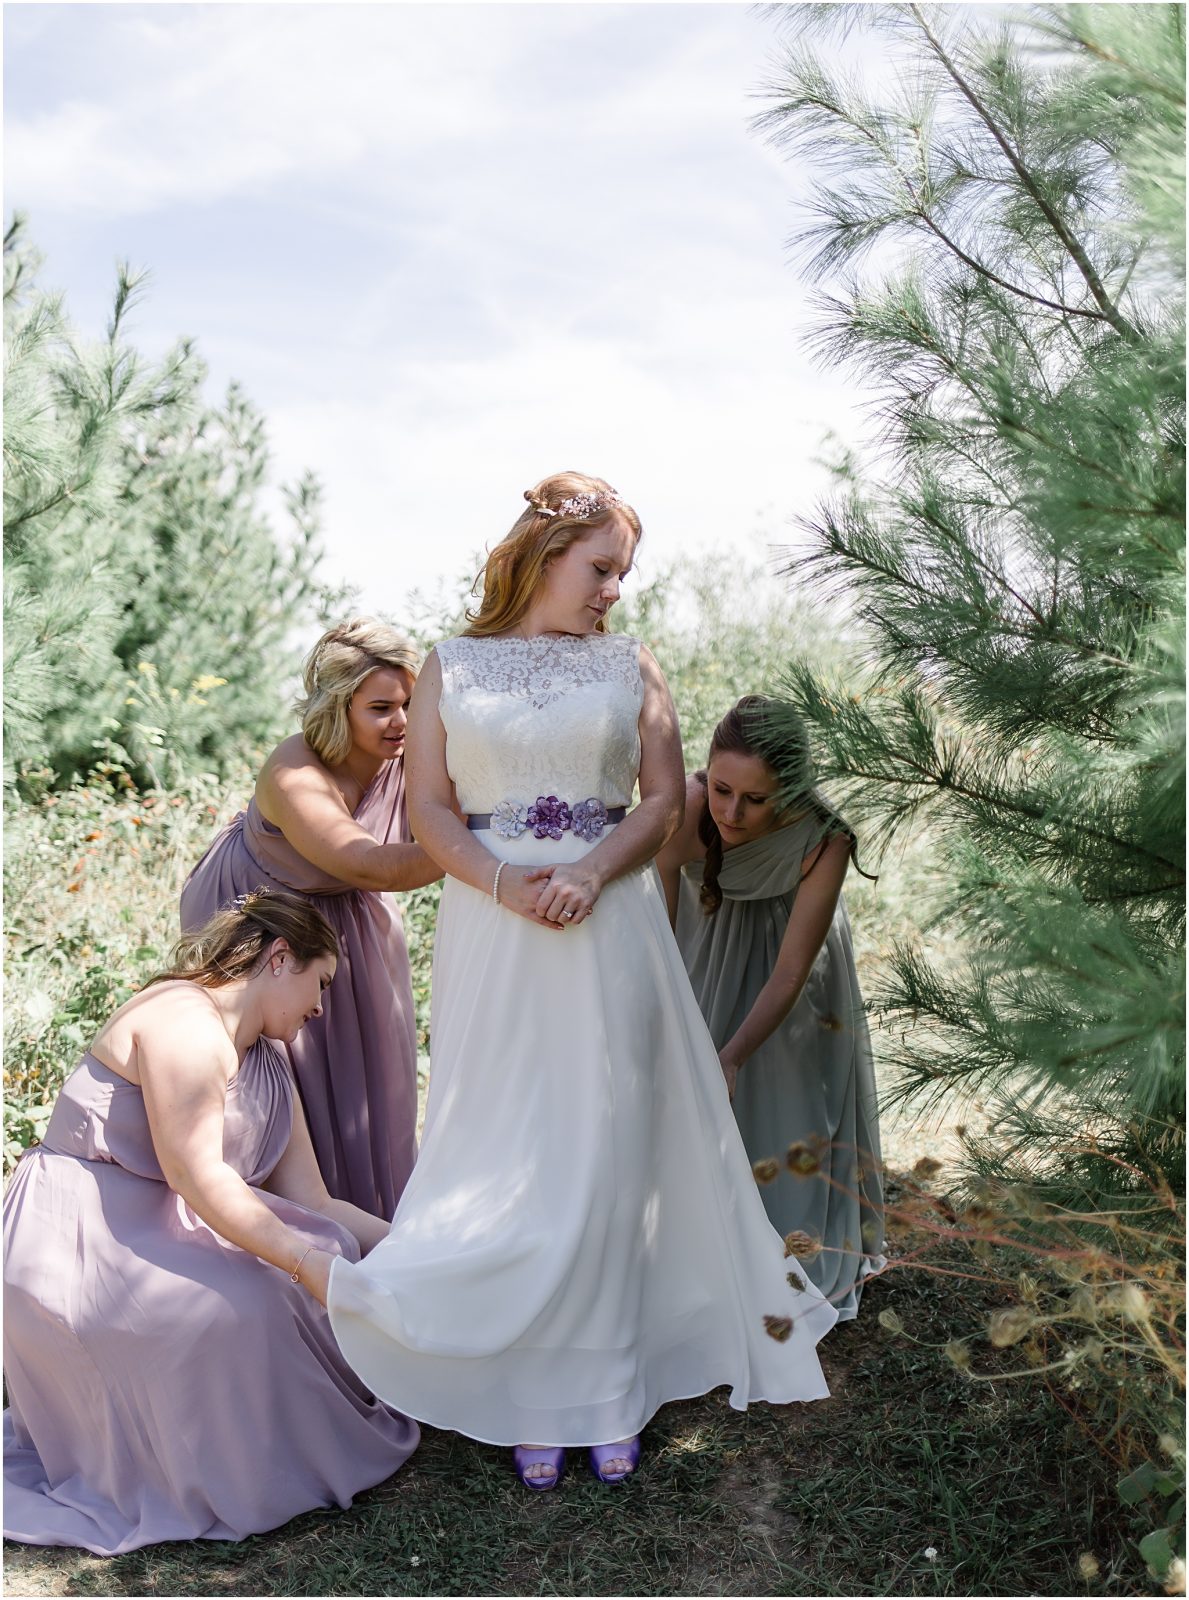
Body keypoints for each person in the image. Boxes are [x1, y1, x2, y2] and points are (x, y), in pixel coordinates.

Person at [326, 472, 838, 1492]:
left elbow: (661, 803)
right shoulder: (447, 666)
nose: (613, 589)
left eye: (622, 573)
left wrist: (592, 874)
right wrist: (503, 881)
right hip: (493, 924)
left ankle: (602, 1387)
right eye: (600, 567)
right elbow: (427, 807)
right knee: (503, 1131)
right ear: (542, 555)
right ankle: (516, 1374)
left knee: (604, 1142)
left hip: (608, 923)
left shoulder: (630, 666)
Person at [3, 890, 419, 1555]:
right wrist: (306, 1267)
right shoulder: (181, 1022)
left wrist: (416, 1255)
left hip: (163, 1227)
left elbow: (316, 1201)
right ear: (281, 958)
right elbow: (198, 1178)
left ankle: (283, 1453)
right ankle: (231, 1475)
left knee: (328, 1243)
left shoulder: (264, 1060)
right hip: (83, 1233)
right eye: (321, 983)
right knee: (251, 1300)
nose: (321, 1006)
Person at [181, 618, 441, 1219]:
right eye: (381, 707)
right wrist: (483, 853)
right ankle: (280, 1237)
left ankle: (373, 1239)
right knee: (283, 1080)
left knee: (369, 1086)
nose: (402, 721)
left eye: (409, 703)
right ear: (336, 706)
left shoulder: (409, 755)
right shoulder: (293, 771)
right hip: (265, 922)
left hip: (354, 926)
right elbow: (370, 864)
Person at [656, 695, 885, 1321]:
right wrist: (673, 1020)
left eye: (756, 799)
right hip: (704, 950)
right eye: (723, 789)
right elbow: (660, 927)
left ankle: (786, 1256)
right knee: (693, 1111)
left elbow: (789, 975)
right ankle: (701, 1258)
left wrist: (731, 1057)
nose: (732, 812)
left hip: (792, 980)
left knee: (783, 1102)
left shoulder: (824, 839)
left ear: (790, 787)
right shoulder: (687, 805)